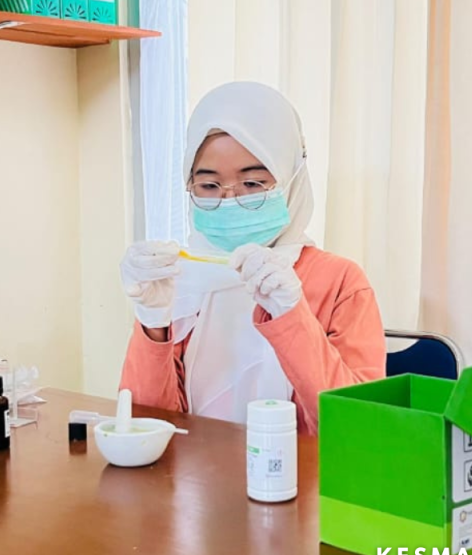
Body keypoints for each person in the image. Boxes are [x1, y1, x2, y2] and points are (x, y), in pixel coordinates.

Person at [119, 82, 385, 435]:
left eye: (253, 184)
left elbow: (358, 429)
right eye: (209, 186)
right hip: (195, 468)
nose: (230, 200)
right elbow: (146, 426)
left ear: (291, 180)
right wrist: (153, 322)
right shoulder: (180, 280)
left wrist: (291, 315)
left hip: (298, 470)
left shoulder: (341, 282)